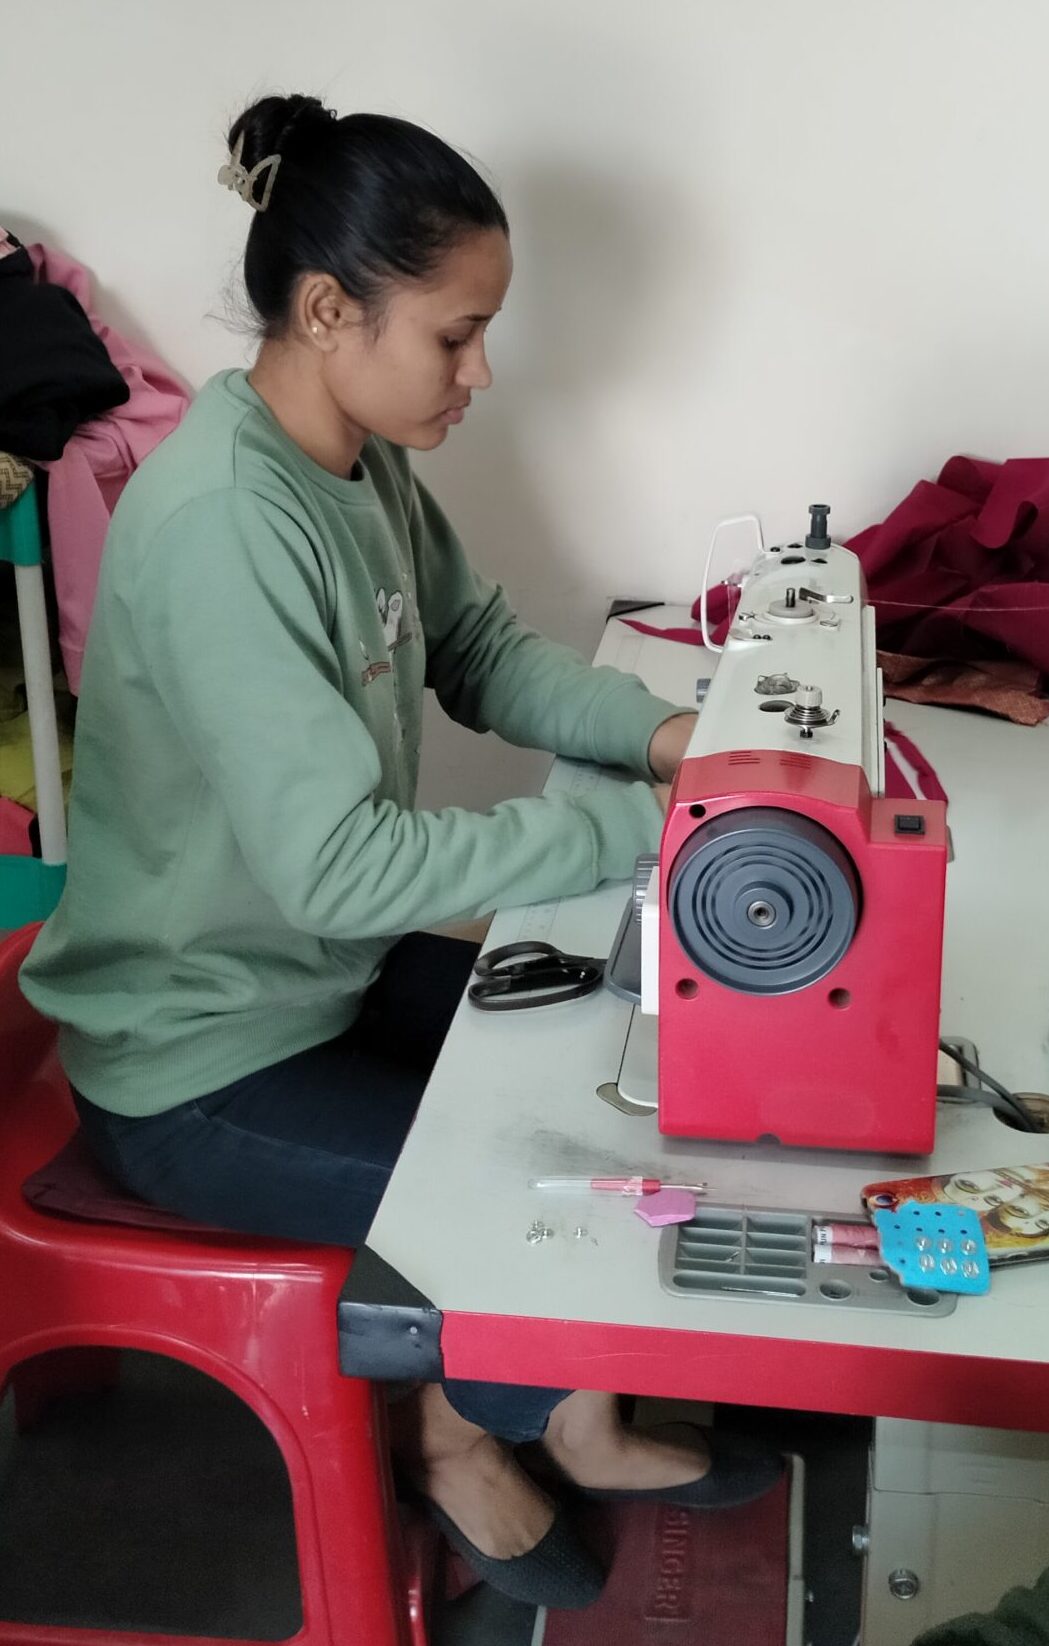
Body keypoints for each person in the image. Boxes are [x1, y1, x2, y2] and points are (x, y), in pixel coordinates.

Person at [20, 93, 782, 1608]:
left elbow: (482, 647)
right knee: (543, 1191)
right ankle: (456, 1433)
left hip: (309, 983)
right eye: (456, 334)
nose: (480, 372)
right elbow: (341, 867)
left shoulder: (355, 468)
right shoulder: (231, 519)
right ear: (325, 309)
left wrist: (664, 741)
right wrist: (639, 823)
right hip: (197, 1056)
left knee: (598, 1056)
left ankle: (559, 1401)